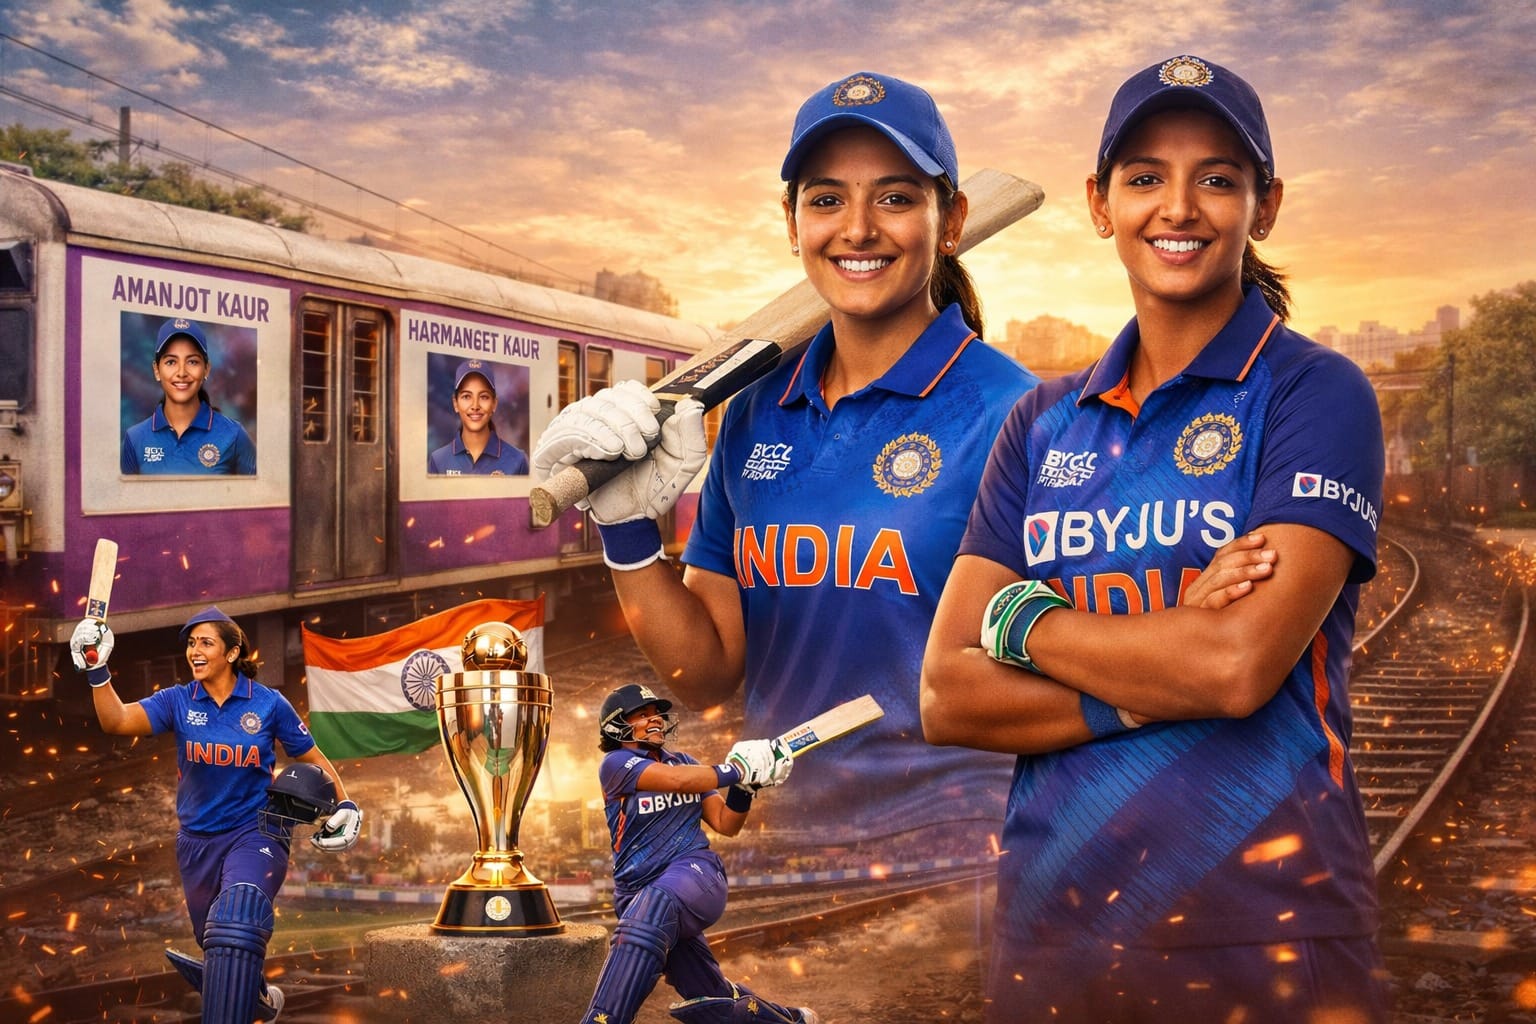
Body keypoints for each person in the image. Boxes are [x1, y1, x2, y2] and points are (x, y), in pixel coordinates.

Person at [920, 54, 1389, 1022]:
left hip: (1268, 929)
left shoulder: (1314, 393)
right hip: (1050, 932)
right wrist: (1153, 671)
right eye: (1145, 177)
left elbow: (1233, 666)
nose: (1178, 207)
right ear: (1101, 204)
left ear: (1265, 206)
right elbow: (947, 691)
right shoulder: (1040, 422)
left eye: (1216, 177)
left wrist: (1024, 621)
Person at [533, 72, 1039, 850]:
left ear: (953, 220)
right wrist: (628, 529)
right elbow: (706, 674)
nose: (858, 228)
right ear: (792, 223)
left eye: (895, 198)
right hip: (783, 832)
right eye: (827, 199)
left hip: (960, 844)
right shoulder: (757, 410)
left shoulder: (1016, 416)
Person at [69, 605, 363, 1023]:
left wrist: (346, 803)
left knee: (236, 918)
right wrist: (97, 670)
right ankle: (258, 998)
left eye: (206, 643)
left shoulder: (267, 704)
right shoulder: (178, 700)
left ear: (232, 652)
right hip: (196, 842)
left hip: (257, 831)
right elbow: (116, 721)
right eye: (191, 643)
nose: (195, 651)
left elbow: (311, 756)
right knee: (218, 942)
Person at [581, 683, 815, 1024]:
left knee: (653, 908)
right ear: (617, 725)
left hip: (694, 872)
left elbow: (725, 823)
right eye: (643, 714)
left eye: (657, 713)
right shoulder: (615, 764)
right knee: (712, 999)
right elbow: (677, 781)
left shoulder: (685, 762)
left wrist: (745, 787)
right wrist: (737, 770)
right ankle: (790, 1019)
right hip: (637, 894)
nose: (655, 719)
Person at [121, 317, 257, 475]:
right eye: (171, 362)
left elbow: (261, 489)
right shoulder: (135, 438)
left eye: (192, 362)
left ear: (206, 369)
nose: (181, 373)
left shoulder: (234, 435)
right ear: (157, 370)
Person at [428, 358, 530, 475]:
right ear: (455, 403)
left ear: (494, 404)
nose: (475, 406)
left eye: (484, 397)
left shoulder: (517, 460)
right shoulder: (439, 460)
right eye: (467, 396)